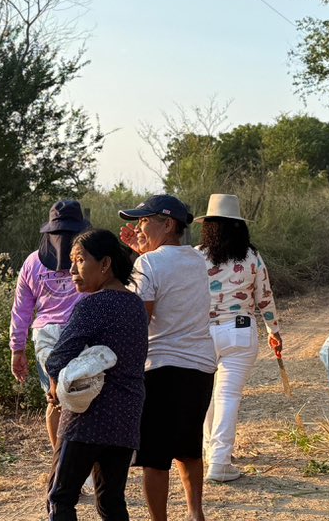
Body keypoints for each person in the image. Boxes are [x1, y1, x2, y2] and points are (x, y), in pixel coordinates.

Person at [118, 194, 215, 521]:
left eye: (145, 221)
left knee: (155, 457)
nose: (138, 227)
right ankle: (195, 513)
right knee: (188, 448)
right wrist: (144, 251)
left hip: (161, 368)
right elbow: (170, 274)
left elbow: (140, 320)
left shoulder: (148, 264)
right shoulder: (198, 260)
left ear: (168, 223)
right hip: (200, 366)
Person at [45, 229, 149, 521]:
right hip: (126, 416)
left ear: (105, 264)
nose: (72, 270)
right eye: (71, 261)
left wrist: (54, 386)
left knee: (60, 497)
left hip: (88, 417)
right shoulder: (136, 305)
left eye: (79, 260)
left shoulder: (94, 304)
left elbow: (59, 357)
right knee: (111, 501)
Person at [194, 194, 282, 482]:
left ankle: (210, 452)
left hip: (203, 332)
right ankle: (220, 460)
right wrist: (274, 331)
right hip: (240, 331)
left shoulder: (196, 256)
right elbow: (265, 298)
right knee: (228, 395)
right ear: (240, 226)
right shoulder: (252, 257)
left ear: (208, 227)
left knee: (205, 393)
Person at [10, 200, 89, 450]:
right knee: (85, 397)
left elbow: (21, 310)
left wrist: (17, 349)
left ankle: (60, 463)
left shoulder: (32, 262)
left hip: (45, 335)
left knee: (54, 400)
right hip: (83, 331)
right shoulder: (90, 259)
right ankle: (75, 465)